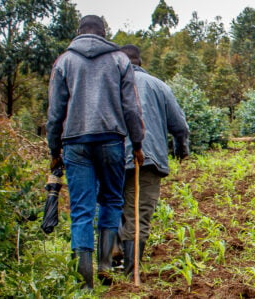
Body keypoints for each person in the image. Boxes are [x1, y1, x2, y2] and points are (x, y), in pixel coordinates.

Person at [46, 15, 145, 289]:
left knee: (81, 210)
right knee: (112, 200)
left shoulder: (64, 61)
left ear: (79, 32)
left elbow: (54, 114)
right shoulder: (120, 60)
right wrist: (137, 144)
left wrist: (54, 149)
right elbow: (131, 109)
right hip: (112, 140)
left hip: (75, 142)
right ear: (104, 33)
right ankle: (104, 265)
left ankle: (85, 282)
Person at [116, 44, 190, 276]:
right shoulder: (159, 86)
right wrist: (181, 150)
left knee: (111, 208)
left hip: (111, 157)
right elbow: (179, 126)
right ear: (140, 62)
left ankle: (112, 259)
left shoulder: (108, 84)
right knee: (138, 214)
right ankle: (131, 272)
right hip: (148, 160)